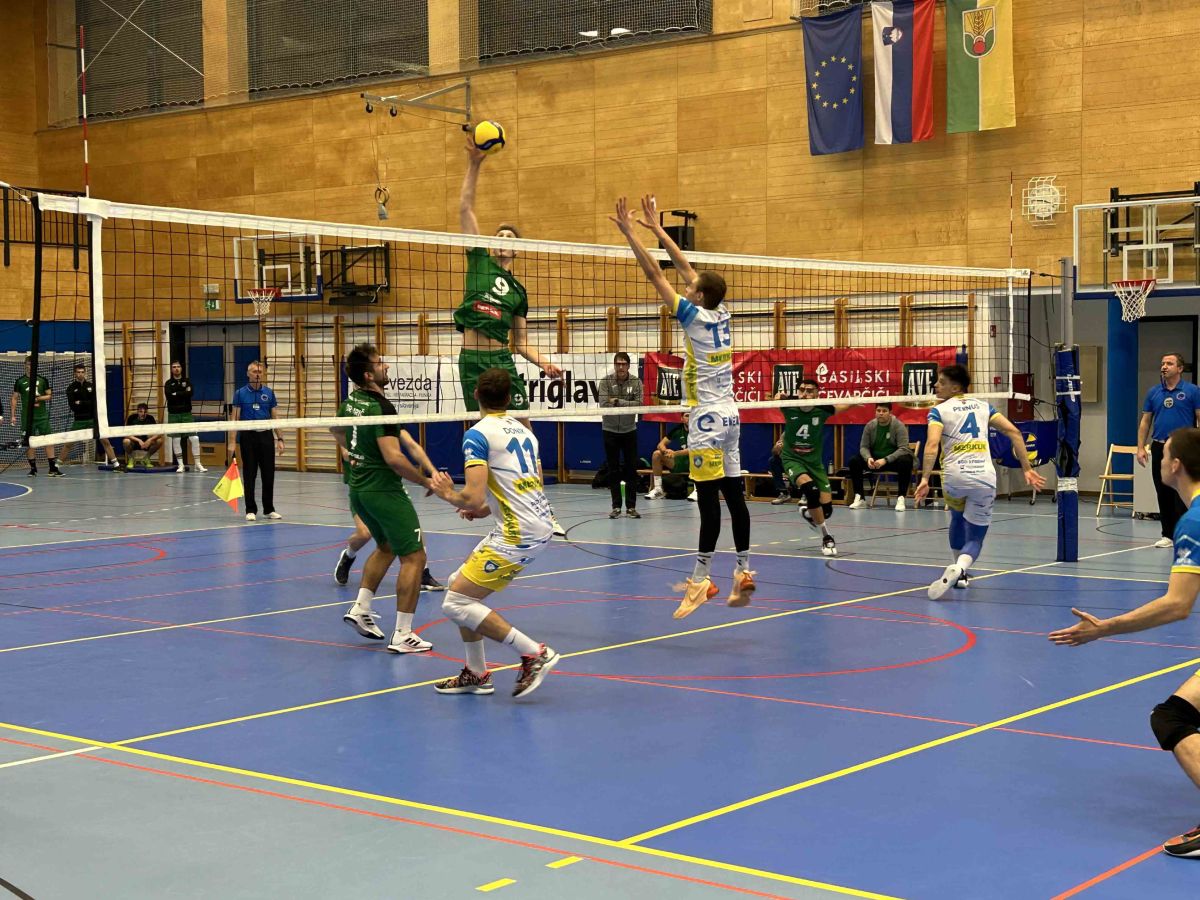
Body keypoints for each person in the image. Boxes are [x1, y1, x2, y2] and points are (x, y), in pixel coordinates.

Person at [1049, 427, 1200, 858]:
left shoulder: (1193, 522)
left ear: (1175, 465)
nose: (1158, 459)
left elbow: (1177, 605)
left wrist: (1104, 628)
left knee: (1171, 719)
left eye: (1163, 454)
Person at [612, 194, 754, 617]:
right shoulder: (722, 312)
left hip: (708, 418)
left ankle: (700, 579)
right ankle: (743, 570)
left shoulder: (694, 316)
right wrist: (657, 230)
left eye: (691, 288)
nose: (686, 287)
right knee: (734, 494)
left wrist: (629, 234)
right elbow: (686, 268)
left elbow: (656, 273)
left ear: (699, 296)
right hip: (732, 416)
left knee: (708, 500)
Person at [455, 135, 566, 536]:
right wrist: (475, 164)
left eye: (510, 239)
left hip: (502, 359)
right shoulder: (478, 260)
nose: (503, 241)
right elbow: (465, 207)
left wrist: (545, 364)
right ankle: (487, 503)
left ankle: (541, 508)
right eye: (499, 236)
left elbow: (521, 343)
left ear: (517, 251)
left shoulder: (518, 292)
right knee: (482, 434)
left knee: (526, 432)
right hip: (472, 359)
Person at [429, 367, 561, 698]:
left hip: (519, 533)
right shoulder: (525, 432)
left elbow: (472, 496)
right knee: (458, 584)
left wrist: (446, 492)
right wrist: (485, 509)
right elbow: (526, 486)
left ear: (475, 394)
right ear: (509, 398)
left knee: (456, 603)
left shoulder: (477, 435)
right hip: (533, 522)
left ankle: (534, 653)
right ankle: (476, 673)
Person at [332, 344, 450, 652]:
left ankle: (360, 608)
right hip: (384, 491)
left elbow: (336, 430)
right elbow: (394, 459)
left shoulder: (351, 402)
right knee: (414, 557)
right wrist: (426, 480)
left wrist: (355, 453)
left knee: (385, 546)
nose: (386, 366)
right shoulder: (381, 408)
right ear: (368, 375)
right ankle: (403, 634)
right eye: (380, 362)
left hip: (359, 490)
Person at [914, 365, 1045, 599]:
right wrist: (1027, 468)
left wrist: (924, 478)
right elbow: (1015, 433)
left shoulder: (938, 411)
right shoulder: (985, 407)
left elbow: (932, 445)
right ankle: (961, 568)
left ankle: (958, 572)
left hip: (954, 477)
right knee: (975, 538)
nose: (935, 385)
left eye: (941, 382)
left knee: (956, 518)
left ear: (956, 388)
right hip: (984, 478)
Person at [333, 444, 446, 592]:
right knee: (364, 534)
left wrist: (431, 473)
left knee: (413, 527)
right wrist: (371, 455)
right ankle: (349, 555)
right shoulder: (353, 432)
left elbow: (411, 446)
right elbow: (346, 453)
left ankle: (423, 574)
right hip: (363, 489)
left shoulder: (387, 433)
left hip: (390, 488)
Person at [777, 380, 852, 557]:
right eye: (802, 390)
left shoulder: (822, 409)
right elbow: (777, 397)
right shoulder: (788, 407)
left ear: (817, 393)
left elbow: (842, 407)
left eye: (810, 391)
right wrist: (782, 396)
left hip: (814, 463)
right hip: (792, 459)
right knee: (811, 491)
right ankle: (827, 537)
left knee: (827, 510)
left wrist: (856, 402)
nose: (805, 394)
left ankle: (809, 514)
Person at [1137, 353, 1200, 548]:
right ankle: (1168, 535)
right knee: (1162, 490)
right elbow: (1146, 421)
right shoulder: (1154, 392)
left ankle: (1185, 532)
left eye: (1169, 363)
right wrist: (1140, 447)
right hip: (1159, 446)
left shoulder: (1192, 391)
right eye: (1163, 363)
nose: (1164, 366)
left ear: (1180, 368)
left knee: (1182, 491)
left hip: (1183, 446)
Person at [229, 360, 283, 522]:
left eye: (260, 371)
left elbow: (275, 417)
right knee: (250, 473)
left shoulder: (269, 393)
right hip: (248, 436)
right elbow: (234, 419)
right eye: (254, 371)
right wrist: (232, 441)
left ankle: (269, 509)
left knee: (268, 474)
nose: (257, 374)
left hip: (266, 436)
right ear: (248, 374)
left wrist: (280, 438)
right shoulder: (240, 393)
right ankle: (250, 509)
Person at [598, 351, 643, 518]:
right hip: (610, 430)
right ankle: (616, 507)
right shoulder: (605, 382)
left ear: (628, 366)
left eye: (624, 364)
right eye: (618, 364)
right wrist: (626, 403)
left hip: (629, 430)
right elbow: (604, 404)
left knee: (631, 469)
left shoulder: (636, 382)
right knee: (613, 470)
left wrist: (617, 401)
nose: (621, 367)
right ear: (615, 365)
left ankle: (631, 507)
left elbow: (639, 404)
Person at [847, 402, 914, 511]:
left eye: (884, 411)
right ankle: (860, 498)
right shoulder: (870, 426)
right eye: (878, 411)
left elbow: (903, 449)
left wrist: (886, 460)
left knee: (906, 460)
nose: (881, 413)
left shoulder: (898, 425)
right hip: (875, 462)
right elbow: (863, 447)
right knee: (854, 461)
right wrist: (868, 458)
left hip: (892, 462)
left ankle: (901, 498)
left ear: (890, 412)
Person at [12, 357, 61, 477]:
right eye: (28, 364)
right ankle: (33, 469)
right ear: (25, 365)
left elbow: (49, 395)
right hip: (27, 418)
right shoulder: (20, 381)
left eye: (32, 364)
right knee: (29, 443)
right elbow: (14, 398)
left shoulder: (43, 380)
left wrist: (38, 398)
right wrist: (13, 415)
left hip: (42, 416)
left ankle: (52, 469)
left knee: (49, 440)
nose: (30, 366)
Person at [65, 361, 119, 469]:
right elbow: (73, 406)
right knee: (69, 443)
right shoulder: (71, 388)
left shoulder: (91, 386)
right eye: (78, 372)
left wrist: (81, 402)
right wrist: (85, 404)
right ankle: (56, 465)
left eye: (82, 372)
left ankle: (116, 464)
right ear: (74, 374)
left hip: (92, 419)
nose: (80, 374)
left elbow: (94, 403)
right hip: (79, 420)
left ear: (85, 373)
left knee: (105, 440)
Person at [164, 360, 207, 474]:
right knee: (176, 439)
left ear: (181, 368)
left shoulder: (187, 381)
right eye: (174, 367)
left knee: (194, 438)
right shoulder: (168, 383)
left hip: (186, 413)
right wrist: (182, 393)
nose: (176, 368)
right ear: (171, 369)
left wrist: (176, 394)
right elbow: (169, 396)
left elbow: (190, 393)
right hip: (173, 414)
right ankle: (181, 465)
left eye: (178, 366)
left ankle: (197, 464)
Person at [645, 412, 691, 500]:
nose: (689, 418)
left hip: (696, 462)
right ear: (681, 419)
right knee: (657, 454)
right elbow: (660, 444)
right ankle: (658, 489)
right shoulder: (678, 429)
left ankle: (697, 490)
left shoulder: (699, 430)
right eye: (687, 415)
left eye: (692, 415)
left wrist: (675, 453)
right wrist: (666, 451)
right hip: (681, 462)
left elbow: (694, 450)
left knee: (698, 454)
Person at [123, 403, 163, 467]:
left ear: (147, 412)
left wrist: (150, 440)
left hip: (146, 442)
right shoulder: (132, 418)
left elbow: (159, 434)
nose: (143, 414)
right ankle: (131, 459)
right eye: (141, 411)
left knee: (159, 441)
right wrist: (138, 440)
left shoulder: (150, 418)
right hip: (134, 442)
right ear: (137, 411)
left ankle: (146, 458)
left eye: (145, 412)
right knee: (126, 441)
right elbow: (126, 434)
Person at [768, 439, 790, 504]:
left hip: (799, 461)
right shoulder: (785, 435)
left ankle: (806, 495)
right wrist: (777, 447)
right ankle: (784, 493)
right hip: (786, 462)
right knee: (773, 460)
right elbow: (774, 452)